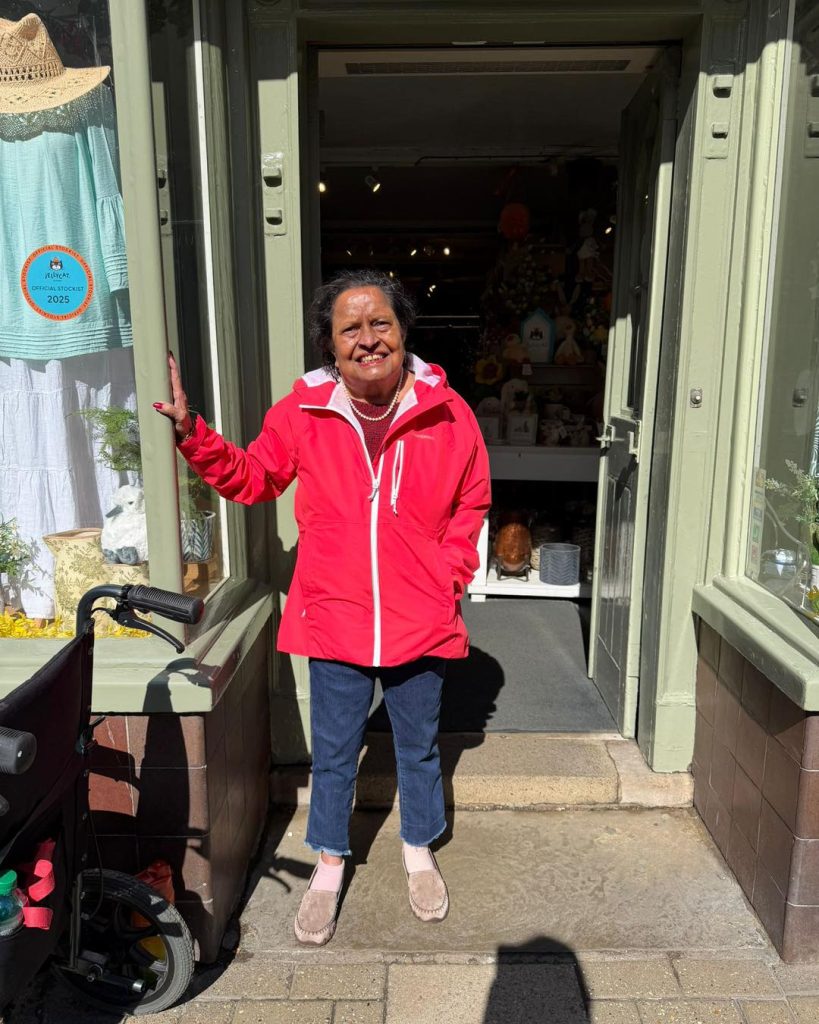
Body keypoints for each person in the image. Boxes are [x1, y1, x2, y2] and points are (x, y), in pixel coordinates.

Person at [154, 270, 490, 945]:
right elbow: (253, 479)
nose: (367, 339)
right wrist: (193, 432)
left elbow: (469, 504)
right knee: (334, 752)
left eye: (380, 324)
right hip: (335, 615)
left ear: (402, 332)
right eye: (350, 329)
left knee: (418, 748)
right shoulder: (303, 411)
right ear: (331, 347)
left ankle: (417, 850)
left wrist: (447, 579)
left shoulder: (448, 412)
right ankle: (330, 863)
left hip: (419, 618)